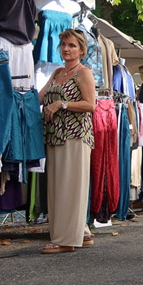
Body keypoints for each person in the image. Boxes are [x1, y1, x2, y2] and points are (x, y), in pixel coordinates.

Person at [38, 28, 95, 254]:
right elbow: (39, 97)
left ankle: (65, 239)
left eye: (71, 45)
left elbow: (91, 105)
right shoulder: (57, 73)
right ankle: (81, 231)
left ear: (81, 49)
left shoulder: (83, 73)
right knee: (59, 186)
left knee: (70, 187)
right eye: (63, 45)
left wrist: (62, 104)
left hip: (75, 135)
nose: (66, 49)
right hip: (54, 136)